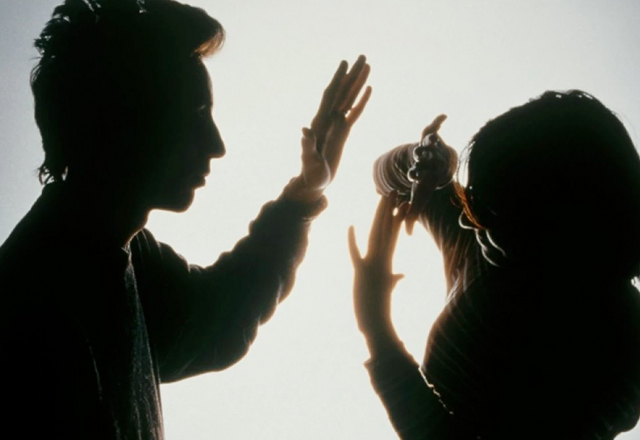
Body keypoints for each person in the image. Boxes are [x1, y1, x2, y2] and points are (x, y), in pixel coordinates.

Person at [0, 0, 371, 438]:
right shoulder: (33, 308)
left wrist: (304, 192)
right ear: (124, 121)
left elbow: (220, 314)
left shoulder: (123, 254)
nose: (217, 145)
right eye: (196, 116)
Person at [348, 91, 640, 439]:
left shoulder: (621, 345)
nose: (467, 219)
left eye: (484, 209)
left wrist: (377, 328)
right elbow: (387, 182)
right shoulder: (483, 250)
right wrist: (426, 164)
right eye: (469, 198)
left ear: (552, 225)